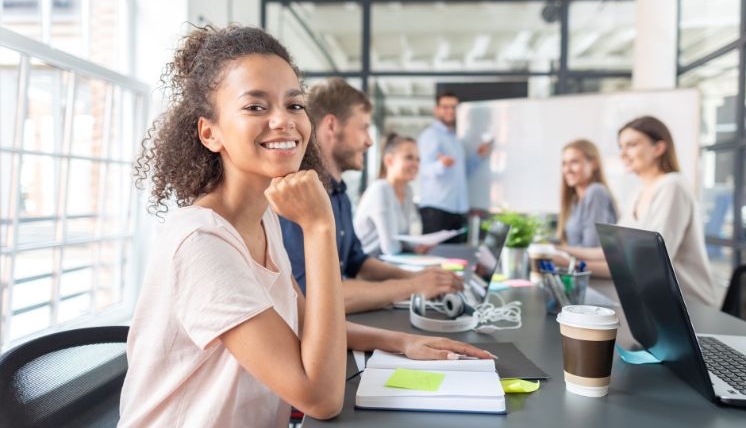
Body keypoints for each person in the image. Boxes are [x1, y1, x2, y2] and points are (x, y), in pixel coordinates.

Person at [119, 26, 493, 427]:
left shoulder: (263, 217)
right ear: (210, 133)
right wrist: (319, 228)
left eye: (295, 105)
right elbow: (320, 398)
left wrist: (404, 342)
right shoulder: (202, 242)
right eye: (255, 107)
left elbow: (307, 321)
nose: (284, 121)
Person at [279, 78, 463, 314]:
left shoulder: (339, 193)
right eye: (364, 127)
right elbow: (312, 296)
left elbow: (357, 262)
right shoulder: (298, 197)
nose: (370, 141)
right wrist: (411, 285)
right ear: (332, 126)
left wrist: (419, 278)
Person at [559, 116, 718, 307]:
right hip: (652, 302)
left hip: (688, 306)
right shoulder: (637, 193)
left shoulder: (672, 186)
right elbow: (613, 250)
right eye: (621, 146)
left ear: (658, 148)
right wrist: (562, 251)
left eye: (631, 145)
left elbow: (651, 263)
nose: (623, 154)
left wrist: (572, 265)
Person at [417, 91, 491, 239]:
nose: (450, 111)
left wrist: (478, 156)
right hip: (436, 209)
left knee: (453, 259)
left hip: (456, 209)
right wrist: (441, 164)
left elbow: (462, 172)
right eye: (445, 107)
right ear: (436, 109)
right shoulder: (430, 135)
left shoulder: (455, 140)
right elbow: (423, 169)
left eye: (453, 107)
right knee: (435, 257)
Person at [355, 132, 428, 256]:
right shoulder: (381, 189)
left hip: (389, 261)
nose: (415, 164)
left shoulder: (408, 191)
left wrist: (417, 247)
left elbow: (403, 239)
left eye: (418, 159)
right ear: (389, 161)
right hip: (368, 267)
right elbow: (390, 248)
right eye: (409, 157)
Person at [556, 139, 617, 247]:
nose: (567, 170)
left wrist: (560, 251)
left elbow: (591, 247)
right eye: (564, 164)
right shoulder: (575, 200)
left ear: (594, 164)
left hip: (585, 263)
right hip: (575, 262)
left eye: (574, 162)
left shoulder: (595, 192)